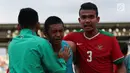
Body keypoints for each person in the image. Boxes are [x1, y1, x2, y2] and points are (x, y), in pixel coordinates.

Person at [63, 2, 126, 73]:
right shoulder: (73, 36)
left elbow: (120, 66)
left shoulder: (110, 38)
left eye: (91, 17)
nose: (87, 21)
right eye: (84, 17)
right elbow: (53, 45)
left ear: (97, 19)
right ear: (79, 20)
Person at [8, 8, 66, 73]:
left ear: (18, 26)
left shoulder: (12, 44)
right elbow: (58, 71)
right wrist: (62, 60)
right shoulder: (41, 43)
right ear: (38, 24)